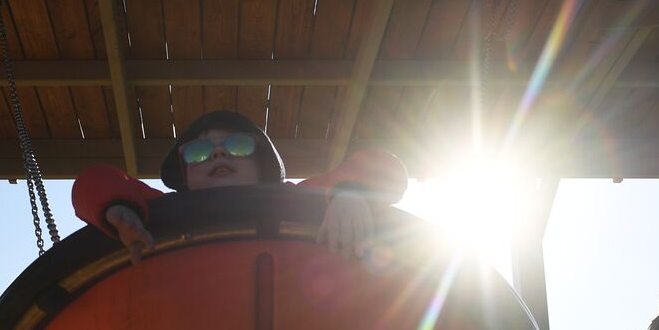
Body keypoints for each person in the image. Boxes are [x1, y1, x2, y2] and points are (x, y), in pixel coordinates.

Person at [72, 109, 408, 264]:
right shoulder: (161, 211)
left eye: (238, 146)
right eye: (200, 152)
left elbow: (380, 168)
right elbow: (94, 182)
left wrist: (350, 194)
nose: (217, 152)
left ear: (263, 164)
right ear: (185, 175)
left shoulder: (292, 198)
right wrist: (120, 210)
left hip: (301, 316)